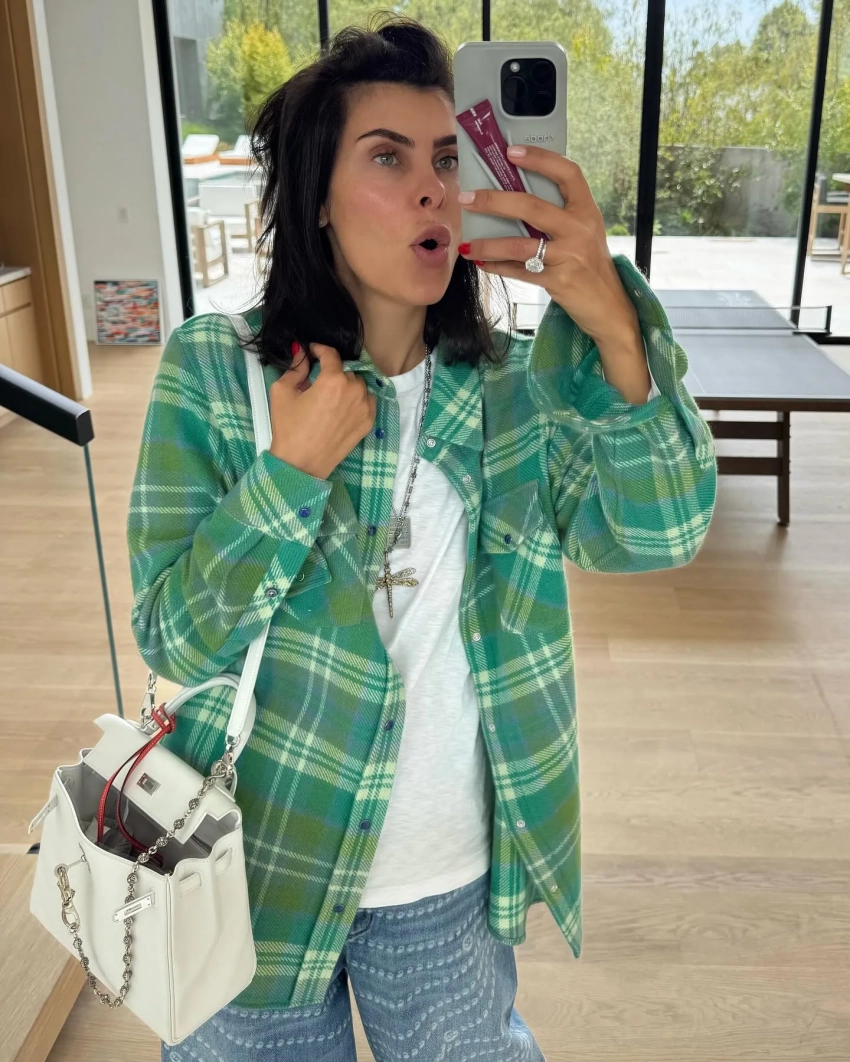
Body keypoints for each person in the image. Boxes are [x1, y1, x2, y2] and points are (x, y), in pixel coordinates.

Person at [127, 14, 717, 1062]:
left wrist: (612, 326)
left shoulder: (513, 391)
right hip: (248, 872)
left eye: (449, 159)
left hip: (444, 883)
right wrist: (287, 472)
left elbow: (660, 531)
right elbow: (175, 638)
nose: (433, 190)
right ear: (317, 196)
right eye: (388, 158)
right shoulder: (215, 371)